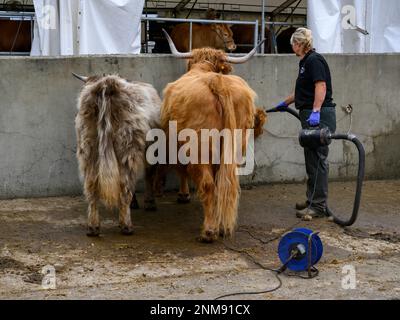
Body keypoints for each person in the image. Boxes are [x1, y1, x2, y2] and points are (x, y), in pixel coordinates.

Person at [276, 27, 336, 218]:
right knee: (311, 159)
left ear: (300, 44)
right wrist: (284, 103)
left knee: (318, 159)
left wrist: (316, 110)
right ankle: (312, 200)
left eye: (293, 43)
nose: (292, 47)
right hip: (309, 113)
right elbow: (303, 90)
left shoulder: (314, 60)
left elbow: (321, 85)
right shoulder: (305, 62)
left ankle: (318, 206)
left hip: (318, 115)